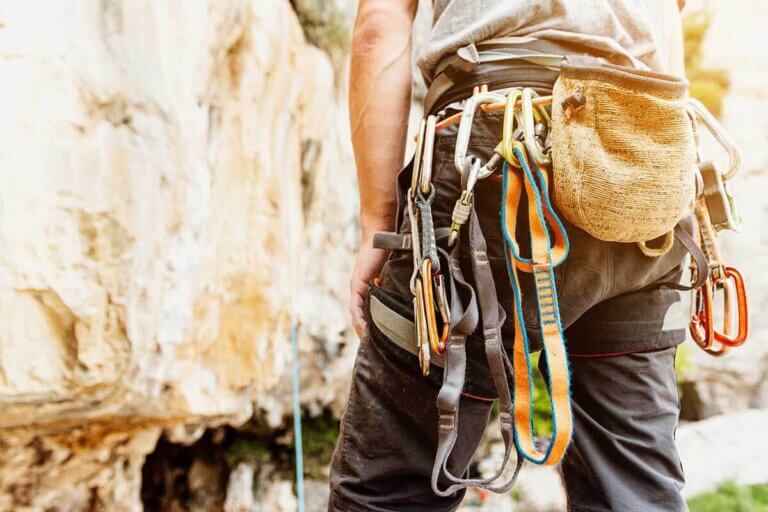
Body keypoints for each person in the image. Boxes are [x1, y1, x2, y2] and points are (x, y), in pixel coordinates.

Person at [332, 1, 691, 510]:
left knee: (390, 488)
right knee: (635, 487)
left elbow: (378, 26)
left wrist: (379, 220)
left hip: (496, 148)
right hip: (642, 157)